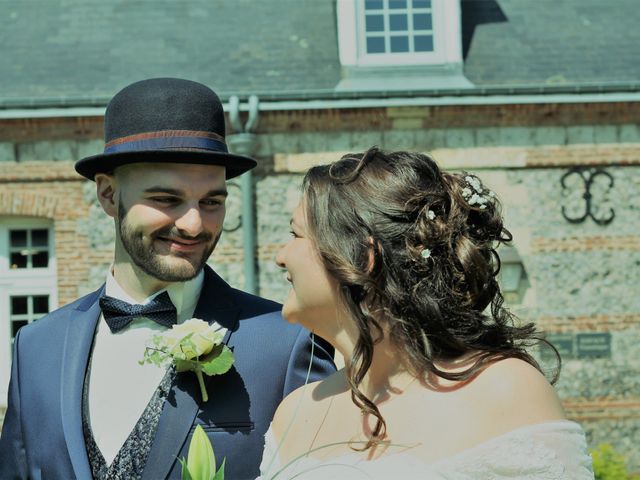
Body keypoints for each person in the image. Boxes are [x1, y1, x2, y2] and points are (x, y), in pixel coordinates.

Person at [0, 77, 335, 480]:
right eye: (166, 199)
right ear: (108, 195)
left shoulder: (285, 344)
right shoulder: (36, 349)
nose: (194, 224)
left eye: (211, 201)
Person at [258, 147, 594, 479]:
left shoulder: (503, 390)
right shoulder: (296, 410)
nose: (281, 256)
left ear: (362, 257)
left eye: (296, 235)